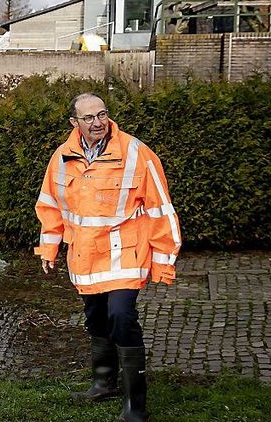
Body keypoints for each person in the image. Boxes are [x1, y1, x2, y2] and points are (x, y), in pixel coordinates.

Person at [34, 93, 182, 422]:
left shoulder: (135, 153)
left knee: (121, 316)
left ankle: (135, 406)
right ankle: (104, 382)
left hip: (125, 257)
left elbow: (161, 209)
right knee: (97, 319)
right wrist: (49, 247)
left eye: (102, 114)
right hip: (85, 259)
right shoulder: (62, 157)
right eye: (88, 118)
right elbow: (50, 206)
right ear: (75, 123)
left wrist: (163, 261)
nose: (98, 122)